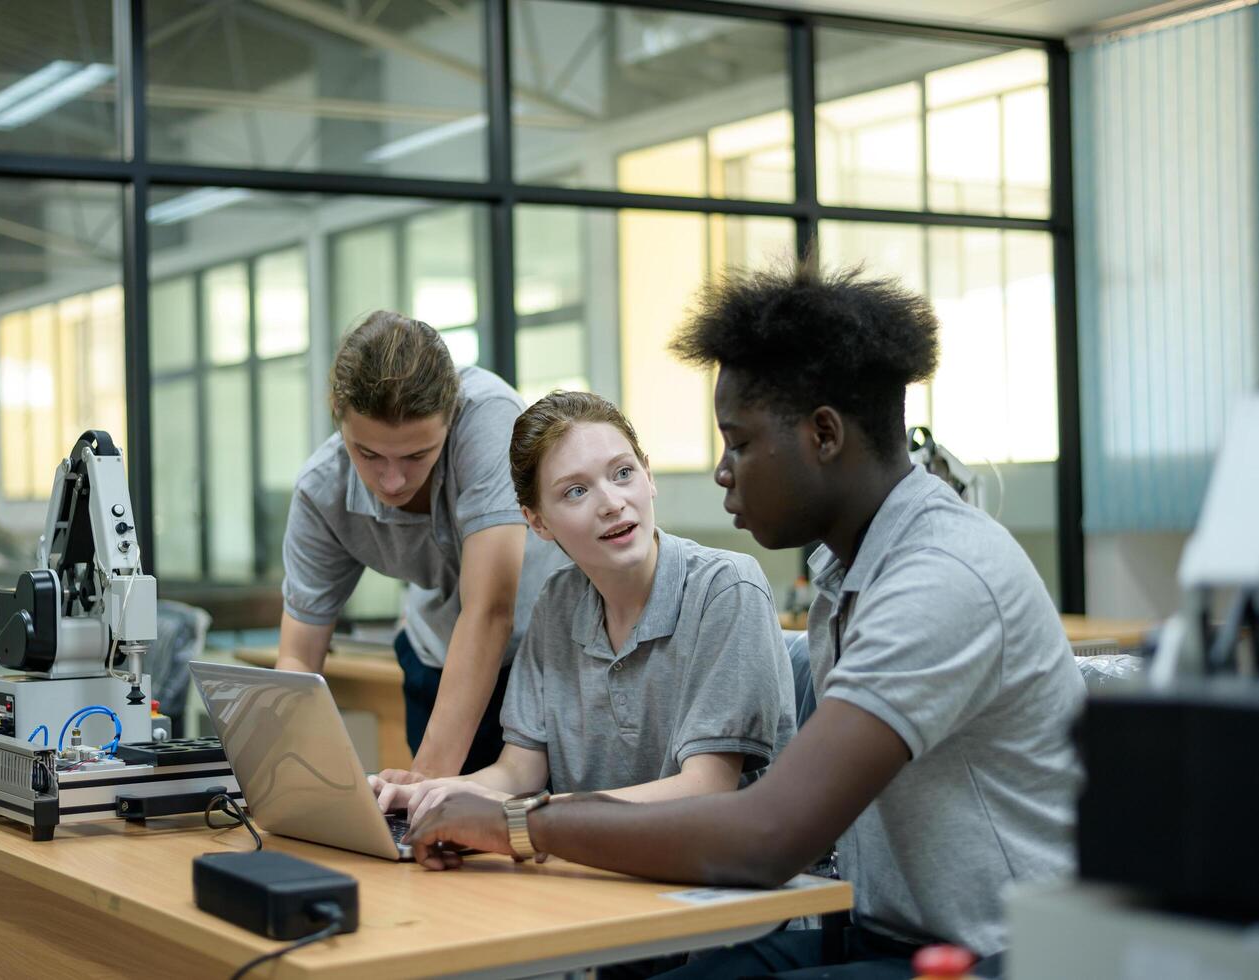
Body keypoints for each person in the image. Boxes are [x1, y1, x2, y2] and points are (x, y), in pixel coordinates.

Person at [401, 261, 1086, 977]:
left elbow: (766, 837)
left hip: (1002, 955)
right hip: (877, 928)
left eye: (740, 442)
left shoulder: (939, 576)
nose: (724, 470)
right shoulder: (850, 572)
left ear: (823, 434)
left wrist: (516, 823)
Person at [371, 390, 796, 824]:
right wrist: (429, 792)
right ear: (537, 521)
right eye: (576, 491)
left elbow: (706, 787)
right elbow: (519, 770)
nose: (612, 503)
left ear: (649, 476)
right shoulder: (556, 602)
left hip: (729, 878)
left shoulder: (726, 587)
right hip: (607, 867)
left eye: (623, 473)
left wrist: (529, 816)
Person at [276, 311, 569, 778]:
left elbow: (490, 610)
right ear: (338, 414)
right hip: (439, 659)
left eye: (417, 455)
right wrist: (282, 773)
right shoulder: (321, 491)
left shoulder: (490, 418)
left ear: (451, 417)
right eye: (368, 454)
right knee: (437, 836)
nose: (392, 481)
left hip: (547, 662)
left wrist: (427, 785)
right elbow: (297, 656)